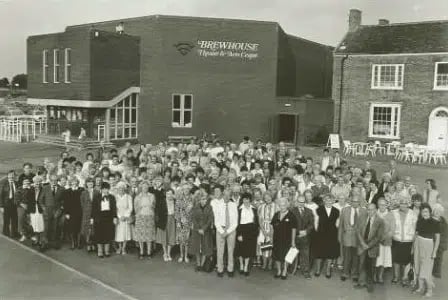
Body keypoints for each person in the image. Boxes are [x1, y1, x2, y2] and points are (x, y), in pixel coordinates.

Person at [355, 203, 385, 293]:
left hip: (372, 247)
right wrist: (362, 243)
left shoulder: (380, 221)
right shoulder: (362, 217)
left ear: (376, 210)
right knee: (361, 264)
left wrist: (368, 246)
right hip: (362, 245)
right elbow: (358, 231)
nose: (370, 211)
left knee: (370, 267)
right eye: (368, 209)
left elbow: (378, 237)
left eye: (372, 209)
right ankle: (361, 283)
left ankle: (369, 284)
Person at [412, 204, 440, 297]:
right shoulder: (419, 221)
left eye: (426, 211)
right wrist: (413, 247)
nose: (425, 213)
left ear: (430, 212)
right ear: (421, 212)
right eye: (423, 211)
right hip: (418, 244)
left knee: (426, 269)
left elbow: (438, 238)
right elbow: (416, 235)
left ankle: (429, 290)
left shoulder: (435, 222)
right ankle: (420, 288)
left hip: (428, 246)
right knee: (418, 266)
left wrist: (434, 251)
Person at [339, 195, 367, 282]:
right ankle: (345, 273)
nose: (355, 203)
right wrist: (339, 237)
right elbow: (341, 225)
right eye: (353, 201)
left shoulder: (364, 211)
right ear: (350, 201)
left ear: (360, 202)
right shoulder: (344, 210)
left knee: (356, 256)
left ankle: (354, 274)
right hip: (347, 236)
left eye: (357, 202)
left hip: (358, 237)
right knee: (346, 255)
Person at [212, 185, 238, 277]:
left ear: (231, 196)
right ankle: (220, 269)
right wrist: (222, 231)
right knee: (220, 251)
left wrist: (228, 231)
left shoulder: (233, 205)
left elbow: (235, 221)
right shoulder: (218, 205)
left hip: (231, 230)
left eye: (229, 195)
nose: (227, 197)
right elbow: (216, 220)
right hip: (220, 229)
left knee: (231, 251)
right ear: (223, 195)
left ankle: (230, 269)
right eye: (225, 195)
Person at [391, 197, 418, 285]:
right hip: (396, 239)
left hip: (408, 240)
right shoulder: (394, 212)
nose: (403, 205)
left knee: (406, 260)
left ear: (408, 204)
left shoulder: (413, 214)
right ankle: (396, 277)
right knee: (396, 259)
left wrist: (414, 240)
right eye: (401, 203)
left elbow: (415, 228)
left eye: (405, 203)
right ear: (399, 204)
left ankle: (404, 277)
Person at [313, 194, 340, 278]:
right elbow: (316, 222)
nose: (329, 202)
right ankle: (317, 270)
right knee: (319, 252)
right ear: (324, 200)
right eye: (327, 200)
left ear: (333, 201)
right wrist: (317, 233)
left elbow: (337, 224)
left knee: (330, 253)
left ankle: (328, 270)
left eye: (330, 200)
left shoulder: (336, 211)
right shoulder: (318, 209)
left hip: (332, 234)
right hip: (321, 233)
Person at [271, 197, 297, 280]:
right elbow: (272, 227)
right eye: (280, 205)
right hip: (276, 239)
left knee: (286, 256)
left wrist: (293, 241)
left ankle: (284, 271)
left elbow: (294, 229)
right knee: (277, 256)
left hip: (287, 240)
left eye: (284, 205)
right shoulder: (276, 214)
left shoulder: (291, 215)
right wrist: (271, 238)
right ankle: (279, 271)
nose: (282, 207)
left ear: (287, 205)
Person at [290, 195, 314, 279]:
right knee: (292, 254)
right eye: (299, 202)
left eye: (303, 202)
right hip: (294, 236)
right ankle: (292, 269)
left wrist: (306, 232)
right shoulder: (292, 211)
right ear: (296, 202)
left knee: (305, 255)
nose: (301, 204)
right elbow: (289, 225)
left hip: (305, 237)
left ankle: (306, 272)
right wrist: (298, 232)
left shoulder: (309, 211)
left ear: (305, 202)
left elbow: (311, 224)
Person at [189, 191, 214, 271]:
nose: (204, 201)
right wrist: (198, 229)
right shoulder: (195, 207)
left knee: (205, 247)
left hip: (206, 231)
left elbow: (210, 219)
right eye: (202, 199)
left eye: (205, 199)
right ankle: (198, 264)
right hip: (196, 230)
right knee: (197, 248)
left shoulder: (210, 207)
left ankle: (202, 264)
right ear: (199, 200)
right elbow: (193, 219)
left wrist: (203, 229)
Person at [91, 182, 117, 258]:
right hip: (99, 217)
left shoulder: (112, 197)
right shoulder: (96, 197)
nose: (105, 190)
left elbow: (114, 208)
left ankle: (107, 251)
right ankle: (100, 251)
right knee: (99, 234)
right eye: (104, 189)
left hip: (108, 217)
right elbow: (93, 208)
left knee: (108, 234)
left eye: (107, 189)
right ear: (101, 189)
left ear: (109, 189)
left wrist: (115, 217)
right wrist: (92, 218)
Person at [236, 193, 259, 276]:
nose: (246, 201)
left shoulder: (254, 209)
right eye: (244, 199)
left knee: (249, 250)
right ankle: (241, 265)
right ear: (242, 200)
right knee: (241, 249)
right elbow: (237, 223)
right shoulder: (239, 209)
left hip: (251, 231)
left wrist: (255, 232)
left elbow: (256, 222)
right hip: (241, 229)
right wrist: (238, 234)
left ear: (250, 200)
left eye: (248, 199)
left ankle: (246, 267)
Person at [133, 181, 156, 259]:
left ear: (148, 188)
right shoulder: (137, 197)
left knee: (149, 234)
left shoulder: (152, 196)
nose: (145, 188)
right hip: (140, 217)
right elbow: (135, 208)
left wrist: (146, 206)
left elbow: (153, 206)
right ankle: (141, 251)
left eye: (146, 187)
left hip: (149, 216)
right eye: (143, 187)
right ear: (141, 188)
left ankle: (149, 252)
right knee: (141, 235)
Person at [375, 198, 393, 284]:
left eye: (383, 205)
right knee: (375, 258)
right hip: (375, 241)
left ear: (386, 205)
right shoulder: (374, 213)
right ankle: (374, 275)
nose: (381, 206)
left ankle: (380, 276)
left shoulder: (390, 215)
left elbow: (392, 229)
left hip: (385, 241)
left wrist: (384, 237)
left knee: (383, 259)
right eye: (380, 205)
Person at [258, 193, 277, 271]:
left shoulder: (276, 206)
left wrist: (272, 231)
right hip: (264, 227)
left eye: (269, 196)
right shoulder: (261, 207)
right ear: (264, 199)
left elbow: (278, 219)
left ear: (271, 197)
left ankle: (270, 264)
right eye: (265, 197)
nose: (268, 198)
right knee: (264, 245)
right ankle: (264, 263)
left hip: (273, 227)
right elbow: (260, 220)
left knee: (271, 246)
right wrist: (263, 230)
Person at [175, 184, 194, 263]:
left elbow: (193, 211)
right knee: (181, 240)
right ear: (182, 190)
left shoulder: (192, 198)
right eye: (184, 189)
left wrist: (192, 222)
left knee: (187, 240)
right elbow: (176, 211)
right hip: (181, 222)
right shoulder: (179, 199)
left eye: (187, 189)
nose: (186, 190)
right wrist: (178, 221)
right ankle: (181, 255)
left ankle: (186, 256)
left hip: (189, 222)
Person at [156, 189, 176, 262]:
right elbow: (158, 212)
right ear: (165, 194)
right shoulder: (162, 201)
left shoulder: (175, 201)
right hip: (164, 220)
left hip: (172, 220)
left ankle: (169, 253)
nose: (169, 195)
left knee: (171, 236)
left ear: (173, 194)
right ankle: (165, 253)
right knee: (164, 237)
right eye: (167, 194)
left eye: (171, 194)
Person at [80, 178, 99, 252]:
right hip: (86, 213)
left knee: (94, 229)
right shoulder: (83, 193)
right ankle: (88, 244)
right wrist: (86, 211)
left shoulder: (97, 192)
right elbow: (82, 203)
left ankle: (93, 244)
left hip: (95, 213)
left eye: (91, 183)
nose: (90, 184)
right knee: (87, 229)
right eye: (89, 183)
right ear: (86, 184)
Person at [64, 177, 83, 249]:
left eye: (75, 182)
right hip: (71, 212)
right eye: (72, 182)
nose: (74, 183)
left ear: (78, 182)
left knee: (78, 227)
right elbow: (66, 203)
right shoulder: (67, 191)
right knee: (71, 228)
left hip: (79, 211)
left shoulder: (81, 190)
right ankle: (73, 243)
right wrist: (66, 213)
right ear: (70, 183)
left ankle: (78, 243)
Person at [114, 181, 133, 255]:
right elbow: (114, 208)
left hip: (126, 217)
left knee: (125, 233)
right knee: (118, 233)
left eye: (122, 188)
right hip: (118, 217)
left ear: (125, 189)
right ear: (117, 189)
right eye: (119, 188)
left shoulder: (128, 197)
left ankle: (124, 248)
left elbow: (130, 208)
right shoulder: (115, 197)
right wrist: (119, 216)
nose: (121, 190)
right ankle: (119, 247)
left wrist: (125, 216)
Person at [0, 170, 18, 238]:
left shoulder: (16, 183)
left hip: (14, 204)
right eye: (10, 175)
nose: (11, 176)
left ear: (15, 176)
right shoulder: (4, 184)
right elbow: (0, 195)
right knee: (6, 219)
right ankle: (6, 233)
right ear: (7, 176)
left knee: (15, 219)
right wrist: (1, 206)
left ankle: (14, 233)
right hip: (6, 204)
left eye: (13, 175)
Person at [28, 176, 45, 248]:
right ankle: (37, 240)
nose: (37, 184)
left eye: (38, 182)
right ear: (33, 183)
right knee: (35, 225)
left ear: (40, 183)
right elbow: (28, 200)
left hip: (41, 210)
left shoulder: (43, 190)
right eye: (36, 183)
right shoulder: (30, 190)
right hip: (33, 210)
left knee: (41, 225)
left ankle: (41, 241)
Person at [432, 203, 447, 279]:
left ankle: (432, 280)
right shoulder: (429, 220)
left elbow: (445, 235)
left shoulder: (443, 221)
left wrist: (442, 246)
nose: (437, 213)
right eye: (436, 211)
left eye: (439, 211)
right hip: (430, 244)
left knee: (437, 262)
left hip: (440, 245)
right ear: (433, 211)